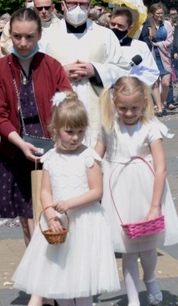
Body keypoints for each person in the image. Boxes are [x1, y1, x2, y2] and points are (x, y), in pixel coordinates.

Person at [13, 92, 119, 306]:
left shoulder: (89, 157)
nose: (75, 138)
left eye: (80, 132)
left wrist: (70, 203)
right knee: (59, 275)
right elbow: (45, 191)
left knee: (83, 278)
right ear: (55, 129)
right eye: (69, 132)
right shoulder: (50, 158)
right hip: (58, 223)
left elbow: (96, 191)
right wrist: (50, 214)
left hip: (84, 222)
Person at [96, 76, 178, 306]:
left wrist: (155, 205)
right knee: (128, 250)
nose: (128, 113)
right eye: (123, 108)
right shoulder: (108, 126)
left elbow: (161, 167)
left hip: (146, 190)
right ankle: (133, 299)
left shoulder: (150, 127)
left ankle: (151, 278)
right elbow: (96, 157)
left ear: (144, 103)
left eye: (134, 107)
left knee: (148, 246)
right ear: (114, 104)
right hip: (119, 192)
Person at [0, 8, 72, 248]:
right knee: (28, 219)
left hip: (51, 151)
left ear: (39, 35)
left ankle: (54, 271)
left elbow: (69, 106)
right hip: (16, 149)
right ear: (10, 34)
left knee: (51, 214)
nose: (23, 42)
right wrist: (20, 143)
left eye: (29, 36)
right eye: (17, 36)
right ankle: (35, 275)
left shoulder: (52, 66)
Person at [40, 0, 130, 146]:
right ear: (62, 5)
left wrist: (95, 70)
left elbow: (123, 71)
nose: (78, 8)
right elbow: (35, 74)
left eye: (83, 4)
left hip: (97, 113)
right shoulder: (46, 36)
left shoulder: (105, 35)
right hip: (59, 112)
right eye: (73, 3)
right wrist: (60, 74)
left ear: (90, 7)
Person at [110, 7, 159, 87]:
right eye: (112, 24)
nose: (115, 28)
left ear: (130, 28)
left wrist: (132, 83)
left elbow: (151, 72)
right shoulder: (102, 44)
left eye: (120, 26)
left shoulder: (140, 46)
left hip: (132, 92)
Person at [140, 3, 173, 117]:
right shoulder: (148, 25)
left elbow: (169, 40)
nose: (160, 15)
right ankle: (159, 107)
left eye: (162, 13)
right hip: (152, 56)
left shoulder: (167, 24)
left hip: (164, 55)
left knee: (166, 83)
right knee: (155, 82)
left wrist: (157, 44)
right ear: (153, 14)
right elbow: (144, 41)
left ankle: (162, 103)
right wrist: (149, 39)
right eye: (158, 13)